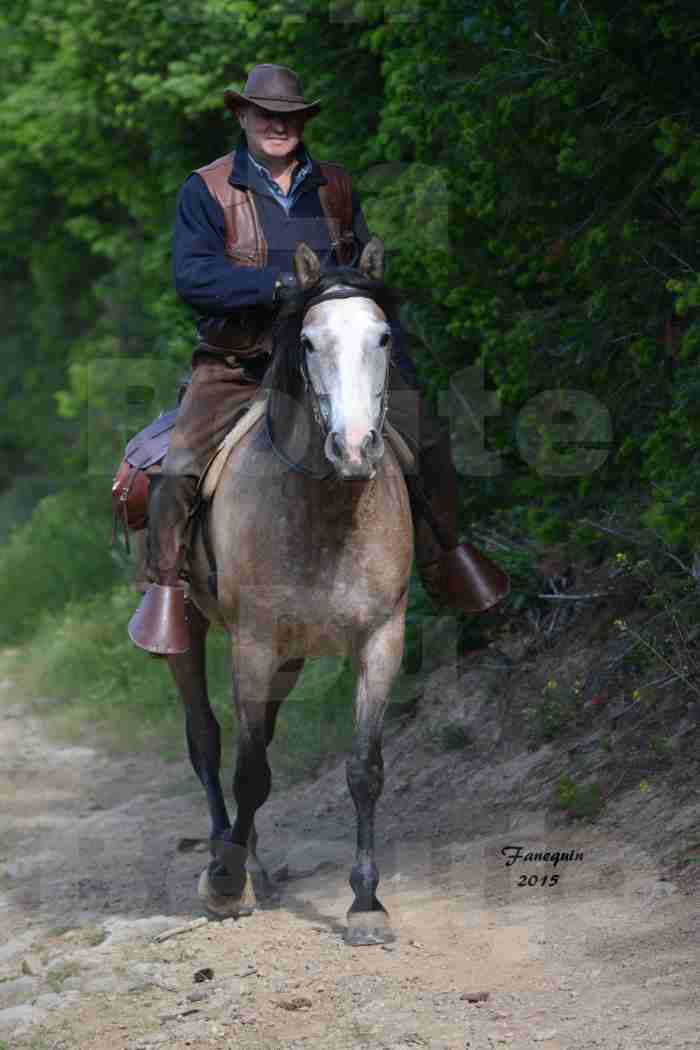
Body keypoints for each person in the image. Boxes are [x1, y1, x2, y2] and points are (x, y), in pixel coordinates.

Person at [129, 64, 507, 654]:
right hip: (238, 363)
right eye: (265, 115)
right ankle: (166, 592)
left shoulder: (333, 184)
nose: (277, 126)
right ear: (244, 117)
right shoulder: (205, 188)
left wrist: (390, 358)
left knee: (429, 441)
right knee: (177, 468)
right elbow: (194, 277)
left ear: (302, 122)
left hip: (332, 360)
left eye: (289, 117)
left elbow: (362, 277)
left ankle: (443, 562)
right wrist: (276, 288)